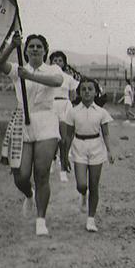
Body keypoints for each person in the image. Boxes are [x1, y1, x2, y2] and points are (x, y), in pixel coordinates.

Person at [0, 32, 63, 236]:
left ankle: (41, 219)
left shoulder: (52, 68)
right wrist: (11, 46)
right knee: (21, 175)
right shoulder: (17, 70)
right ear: (25, 50)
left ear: (45, 50)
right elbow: (0, 64)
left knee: (41, 173)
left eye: (38, 46)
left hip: (46, 122)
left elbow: (57, 81)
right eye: (30, 46)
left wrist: (30, 76)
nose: (34, 49)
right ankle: (29, 194)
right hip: (22, 123)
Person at [64, 78, 115, 232]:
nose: (87, 92)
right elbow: (68, 135)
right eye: (83, 89)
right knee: (82, 184)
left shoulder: (101, 112)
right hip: (79, 146)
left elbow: (105, 133)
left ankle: (91, 219)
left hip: (96, 148)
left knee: (94, 185)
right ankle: (83, 194)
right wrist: (64, 155)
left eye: (90, 89)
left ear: (96, 92)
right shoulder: (72, 111)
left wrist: (109, 150)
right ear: (79, 92)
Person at [49, 51, 80, 183]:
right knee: (52, 137)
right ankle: (52, 160)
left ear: (64, 63)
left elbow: (73, 96)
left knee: (64, 139)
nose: (57, 63)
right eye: (54, 60)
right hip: (51, 106)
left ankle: (63, 168)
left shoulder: (68, 78)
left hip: (65, 106)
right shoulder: (47, 76)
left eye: (60, 60)